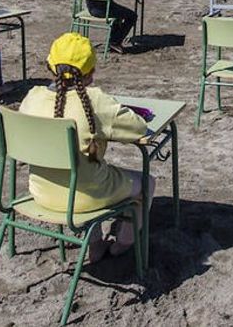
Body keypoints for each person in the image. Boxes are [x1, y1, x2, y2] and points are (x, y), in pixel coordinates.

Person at [18, 32, 153, 262]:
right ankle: (125, 242)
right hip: (85, 196)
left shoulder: (32, 98)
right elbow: (138, 128)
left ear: (50, 66)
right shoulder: (95, 102)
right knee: (146, 183)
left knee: (81, 173)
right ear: (91, 73)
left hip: (40, 192)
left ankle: (96, 244)